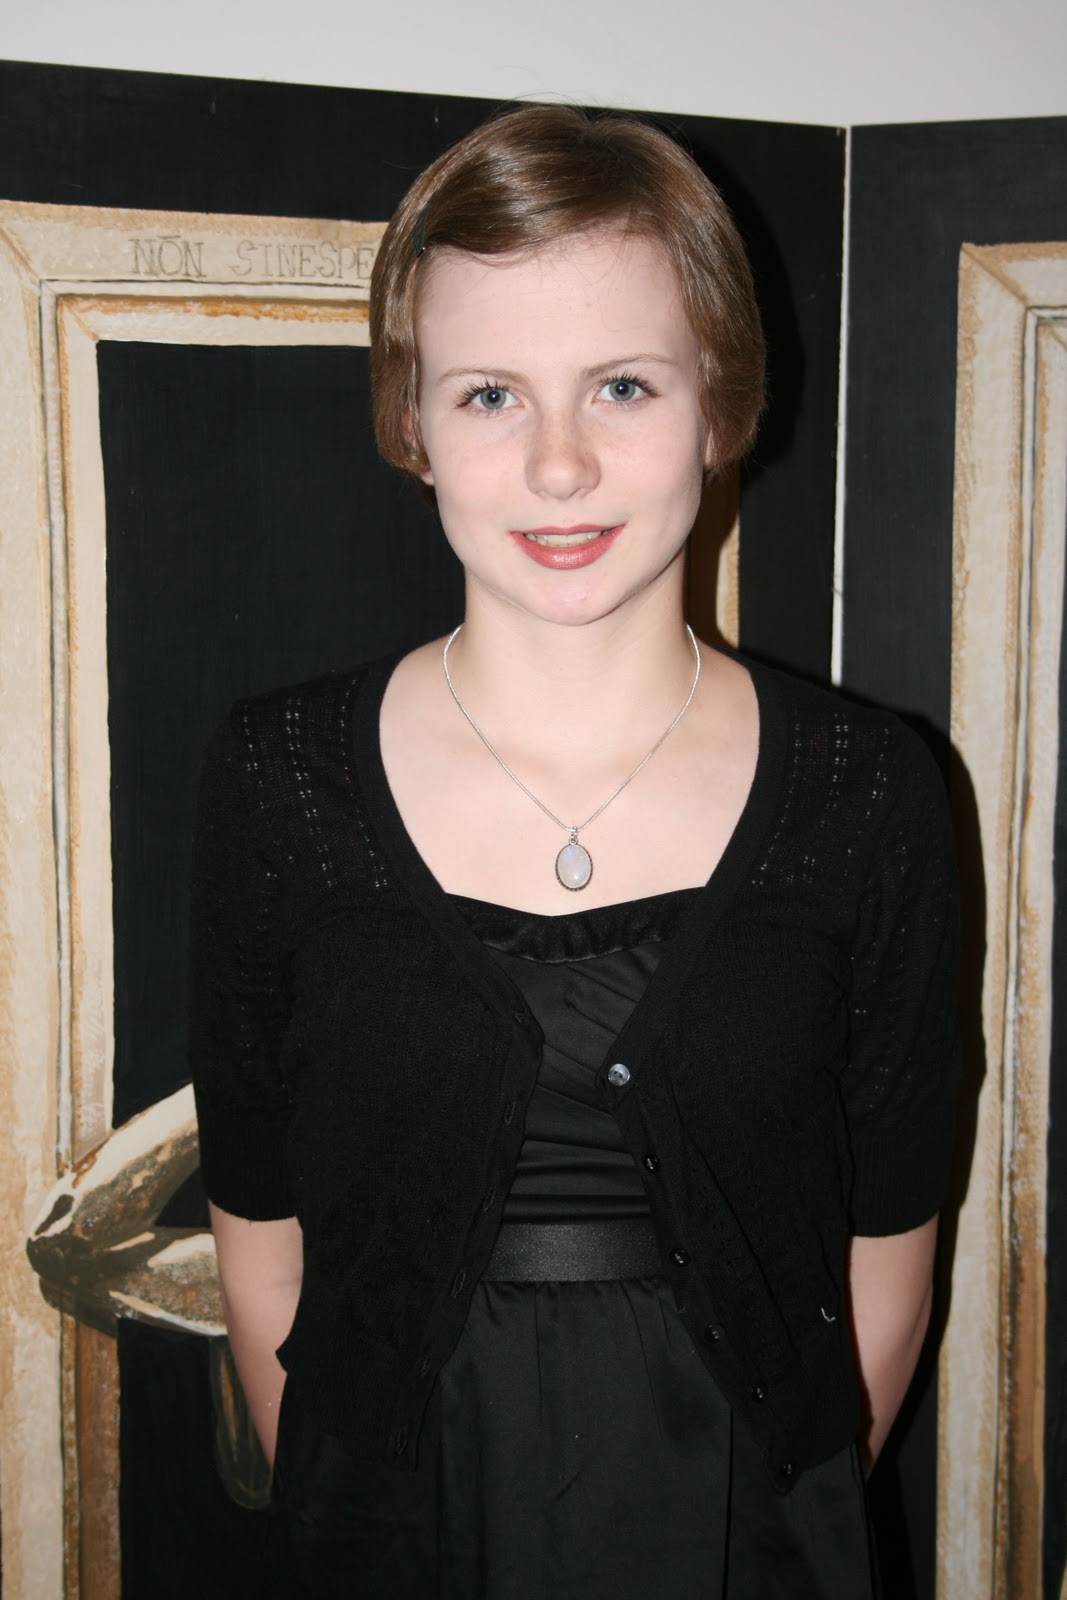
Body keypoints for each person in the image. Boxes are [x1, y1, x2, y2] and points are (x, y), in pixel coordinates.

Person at [189, 104, 959, 1598]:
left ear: (718, 404)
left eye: (622, 385)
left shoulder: (872, 794)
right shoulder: (275, 783)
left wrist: (776, 1535)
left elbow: (888, 1250)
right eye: (489, 394)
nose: (559, 467)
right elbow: (259, 1231)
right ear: (412, 423)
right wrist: (348, 1518)